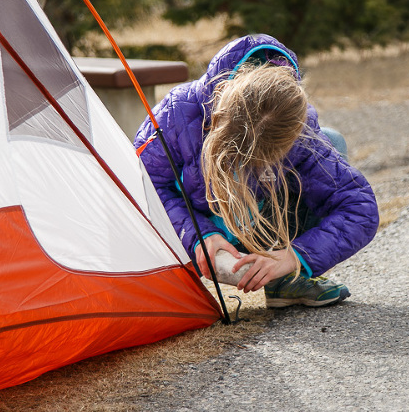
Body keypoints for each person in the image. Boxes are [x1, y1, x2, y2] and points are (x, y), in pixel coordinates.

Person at [135, 34, 379, 307]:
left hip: (261, 223)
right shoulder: (176, 112)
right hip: (201, 228)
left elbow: (359, 208)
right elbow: (145, 184)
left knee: (331, 142)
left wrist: (294, 256)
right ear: (217, 116)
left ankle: (283, 281)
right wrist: (199, 235)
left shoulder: (299, 127)